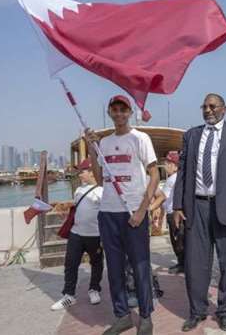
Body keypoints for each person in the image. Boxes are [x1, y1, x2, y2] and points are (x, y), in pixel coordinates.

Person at [172, 93, 226, 332]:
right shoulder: (191, 135)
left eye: (212, 106)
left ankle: (224, 310)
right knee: (195, 263)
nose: (208, 110)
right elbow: (182, 173)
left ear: (224, 109)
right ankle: (197, 311)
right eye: (204, 106)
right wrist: (177, 206)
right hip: (196, 207)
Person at [86, 95, 160, 335]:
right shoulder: (104, 143)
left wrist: (142, 210)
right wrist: (90, 147)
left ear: (129, 112)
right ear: (109, 112)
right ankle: (122, 316)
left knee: (140, 267)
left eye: (123, 109)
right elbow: (99, 179)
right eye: (114, 109)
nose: (118, 113)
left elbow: (155, 175)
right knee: (115, 268)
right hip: (108, 213)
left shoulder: (140, 138)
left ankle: (146, 316)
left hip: (133, 214)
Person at [51, 158, 104, 311]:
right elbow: (77, 208)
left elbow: (107, 215)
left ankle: (94, 289)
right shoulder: (79, 190)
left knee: (97, 263)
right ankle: (69, 295)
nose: (79, 175)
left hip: (95, 235)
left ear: (92, 172)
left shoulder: (102, 192)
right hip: (76, 233)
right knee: (70, 264)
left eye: (82, 171)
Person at [149, 151, 183, 274]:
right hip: (176, 214)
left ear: (175, 165)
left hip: (173, 215)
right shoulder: (180, 178)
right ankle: (183, 264)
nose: (165, 166)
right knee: (180, 240)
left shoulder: (171, 180)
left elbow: (162, 197)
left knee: (177, 241)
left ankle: (182, 265)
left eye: (168, 163)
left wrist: (149, 209)